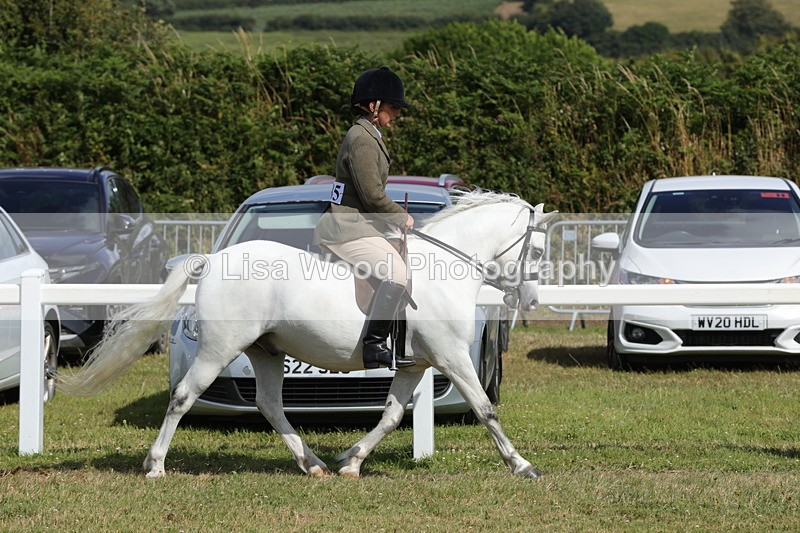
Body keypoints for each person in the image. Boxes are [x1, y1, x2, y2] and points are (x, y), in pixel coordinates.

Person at [313, 66, 415, 369]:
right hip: (346, 226)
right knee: (397, 274)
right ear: (374, 106)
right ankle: (373, 346)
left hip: (359, 222)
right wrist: (401, 217)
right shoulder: (362, 139)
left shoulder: (369, 134)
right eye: (393, 106)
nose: (397, 113)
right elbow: (372, 196)